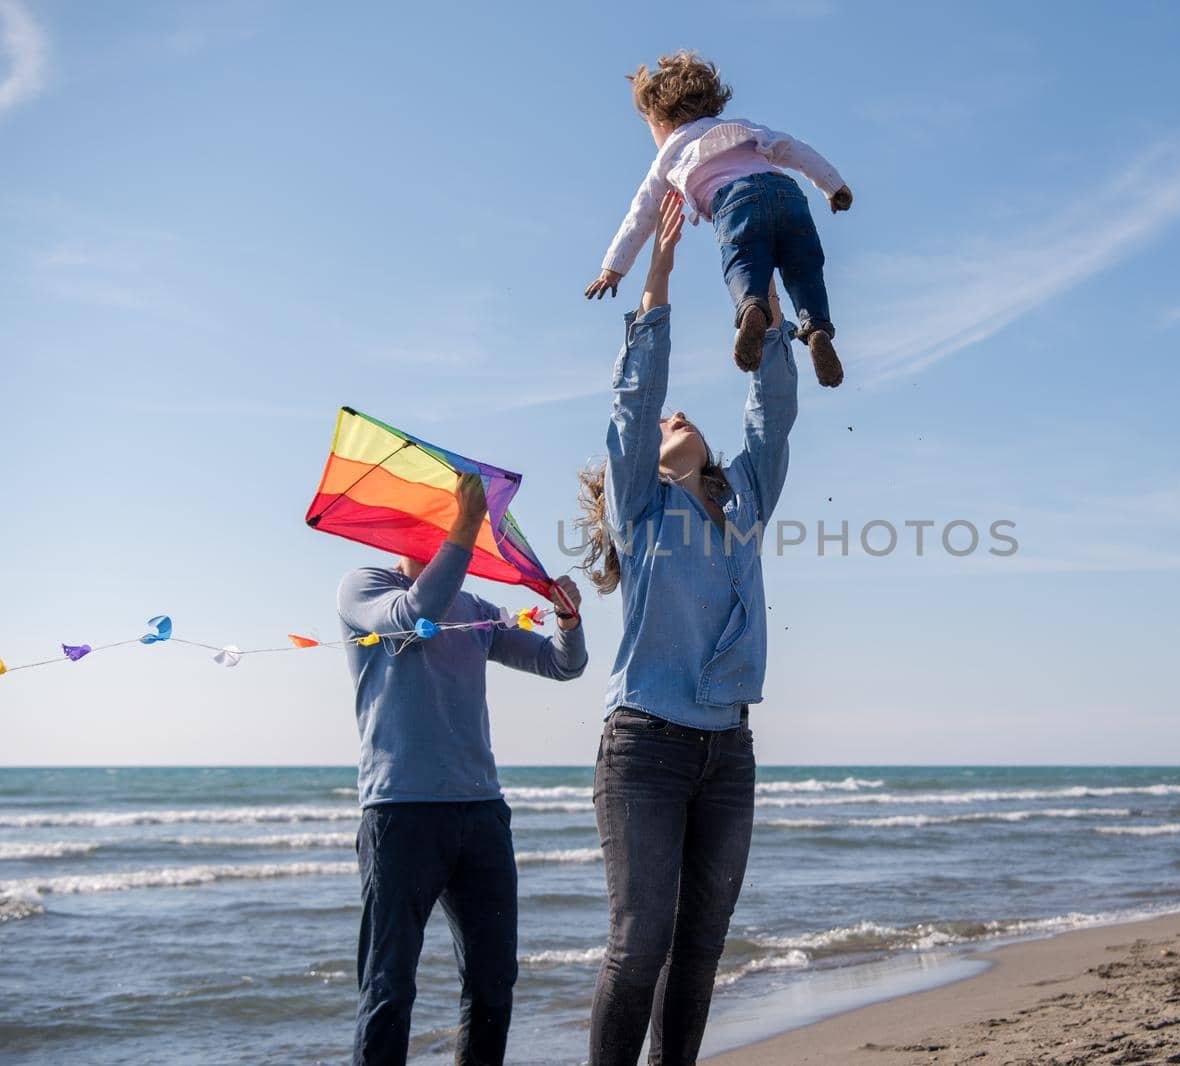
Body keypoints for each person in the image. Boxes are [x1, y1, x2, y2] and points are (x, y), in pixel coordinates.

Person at [576, 189, 798, 1065]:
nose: (676, 417)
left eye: (685, 416)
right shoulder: (641, 508)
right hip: (646, 748)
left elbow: (771, 408)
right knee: (639, 948)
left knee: (701, 952)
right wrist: (658, 275)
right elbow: (636, 400)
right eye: (669, 420)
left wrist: (764, 303)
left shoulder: (744, 497)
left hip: (728, 753)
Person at [337, 472, 588, 1066]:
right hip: (400, 815)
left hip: (481, 816)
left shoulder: (477, 612)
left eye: (446, 524)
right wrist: (466, 523)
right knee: (388, 987)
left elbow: (561, 666)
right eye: (432, 525)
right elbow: (413, 613)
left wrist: (569, 624)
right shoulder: (364, 586)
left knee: (493, 982)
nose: (442, 534)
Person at [584, 50, 852, 389]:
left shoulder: (668, 156)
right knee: (805, 267)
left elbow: (641, 214)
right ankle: (816, 329)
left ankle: (751, 309)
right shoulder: (741, 127)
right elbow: (792, 148)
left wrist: (613, 268)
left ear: (661, 122)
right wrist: (834, 185)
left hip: (735, 201)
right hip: (787, 193)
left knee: (743, 260)